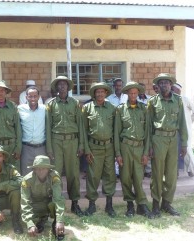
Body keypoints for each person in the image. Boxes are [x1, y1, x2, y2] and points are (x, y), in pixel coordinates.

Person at [148, 73, 188, 217]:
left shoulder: (178, 101)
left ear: (171, 85)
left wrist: (184, 143)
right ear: (157, 86)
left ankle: (167, 203)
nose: (164, 85)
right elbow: (148, 127)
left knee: (171, 174)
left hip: (173, 139)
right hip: (158, 138)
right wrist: (149, 146)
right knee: (157, 173)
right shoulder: (152, 102)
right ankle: (155, 204)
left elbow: (183, 123)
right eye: (161, 83)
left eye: (167, 82)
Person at [46, 76, 84, 217]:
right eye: (59, 85)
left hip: (72, 142)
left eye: (64, 85)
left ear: (68, 87)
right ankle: (57, 203)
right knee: (55, 173)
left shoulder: (75, 103)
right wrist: (49, 148)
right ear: (56, 88)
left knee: (73, 173)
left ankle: (75, 203)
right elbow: (48, 127)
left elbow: (80, 125)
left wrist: (81, 145)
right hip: (56, 141)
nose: (62, 87)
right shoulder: (51, 105)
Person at [114, 82, 153, 219]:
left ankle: (141, 205)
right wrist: (118, 154)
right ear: (127, 94)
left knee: (138, 177)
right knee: (125, 177)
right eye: (130, 93)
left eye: (135, 93)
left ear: (138, 94)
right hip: (125, 147)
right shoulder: (120, 110)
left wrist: (146, 153)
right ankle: (130, 205)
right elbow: (116, 134)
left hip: (139, 148)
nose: (133, 95)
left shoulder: (144, 109)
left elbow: (148, 133)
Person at [82, 82, 117, 217]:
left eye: (102, 92)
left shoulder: (112, 108)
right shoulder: (87, 108)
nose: (100, 94)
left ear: (106, 93)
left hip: (109, 147)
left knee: (110, 176)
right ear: (94, 94)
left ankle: (109, 205)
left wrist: (116, 151)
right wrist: (87, 149)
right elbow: (83, 130)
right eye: (98, 92)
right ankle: (91, 205)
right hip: (94, 147)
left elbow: (115, 130)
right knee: (93, 176)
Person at [21, 155, 65, 240]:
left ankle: (56, 225)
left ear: (48, 169)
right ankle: (41, 220)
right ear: (34, 169)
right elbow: (25, 202)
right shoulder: (27, 180)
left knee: (56, 202)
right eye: (38, 168)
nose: (41, 171)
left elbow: (58, 199)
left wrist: (60, 220)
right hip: (35, 205)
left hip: (48, 204)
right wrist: (29, 223)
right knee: (28, 220)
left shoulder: (54, 177)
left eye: (44, 168)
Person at [0, 80, 22, 171]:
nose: (0, 92)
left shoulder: (13, 107)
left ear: (6, 92)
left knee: (14, 173)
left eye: (2, 90)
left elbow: (18, 128)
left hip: (12, 146)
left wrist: (18, 148)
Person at [18, 86, 46, 175]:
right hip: (26, 149)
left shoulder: (45, 109)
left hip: (41, 148)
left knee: (41, 176)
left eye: (35, 96)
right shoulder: (20, 109)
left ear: (39, 97)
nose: (33, 98)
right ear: (26, 97)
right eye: (30, 96)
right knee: (26, 176)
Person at [171, 83, 194, 177]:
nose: (172, 91)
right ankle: (175, 172)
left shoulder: (185, 99)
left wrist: (189, 121)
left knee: (187, 149)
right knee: (174, 150)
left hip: (185, 129)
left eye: (173, 89)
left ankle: (191, 169)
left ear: (179, 90)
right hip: (174, 130)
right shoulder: (170, 100)